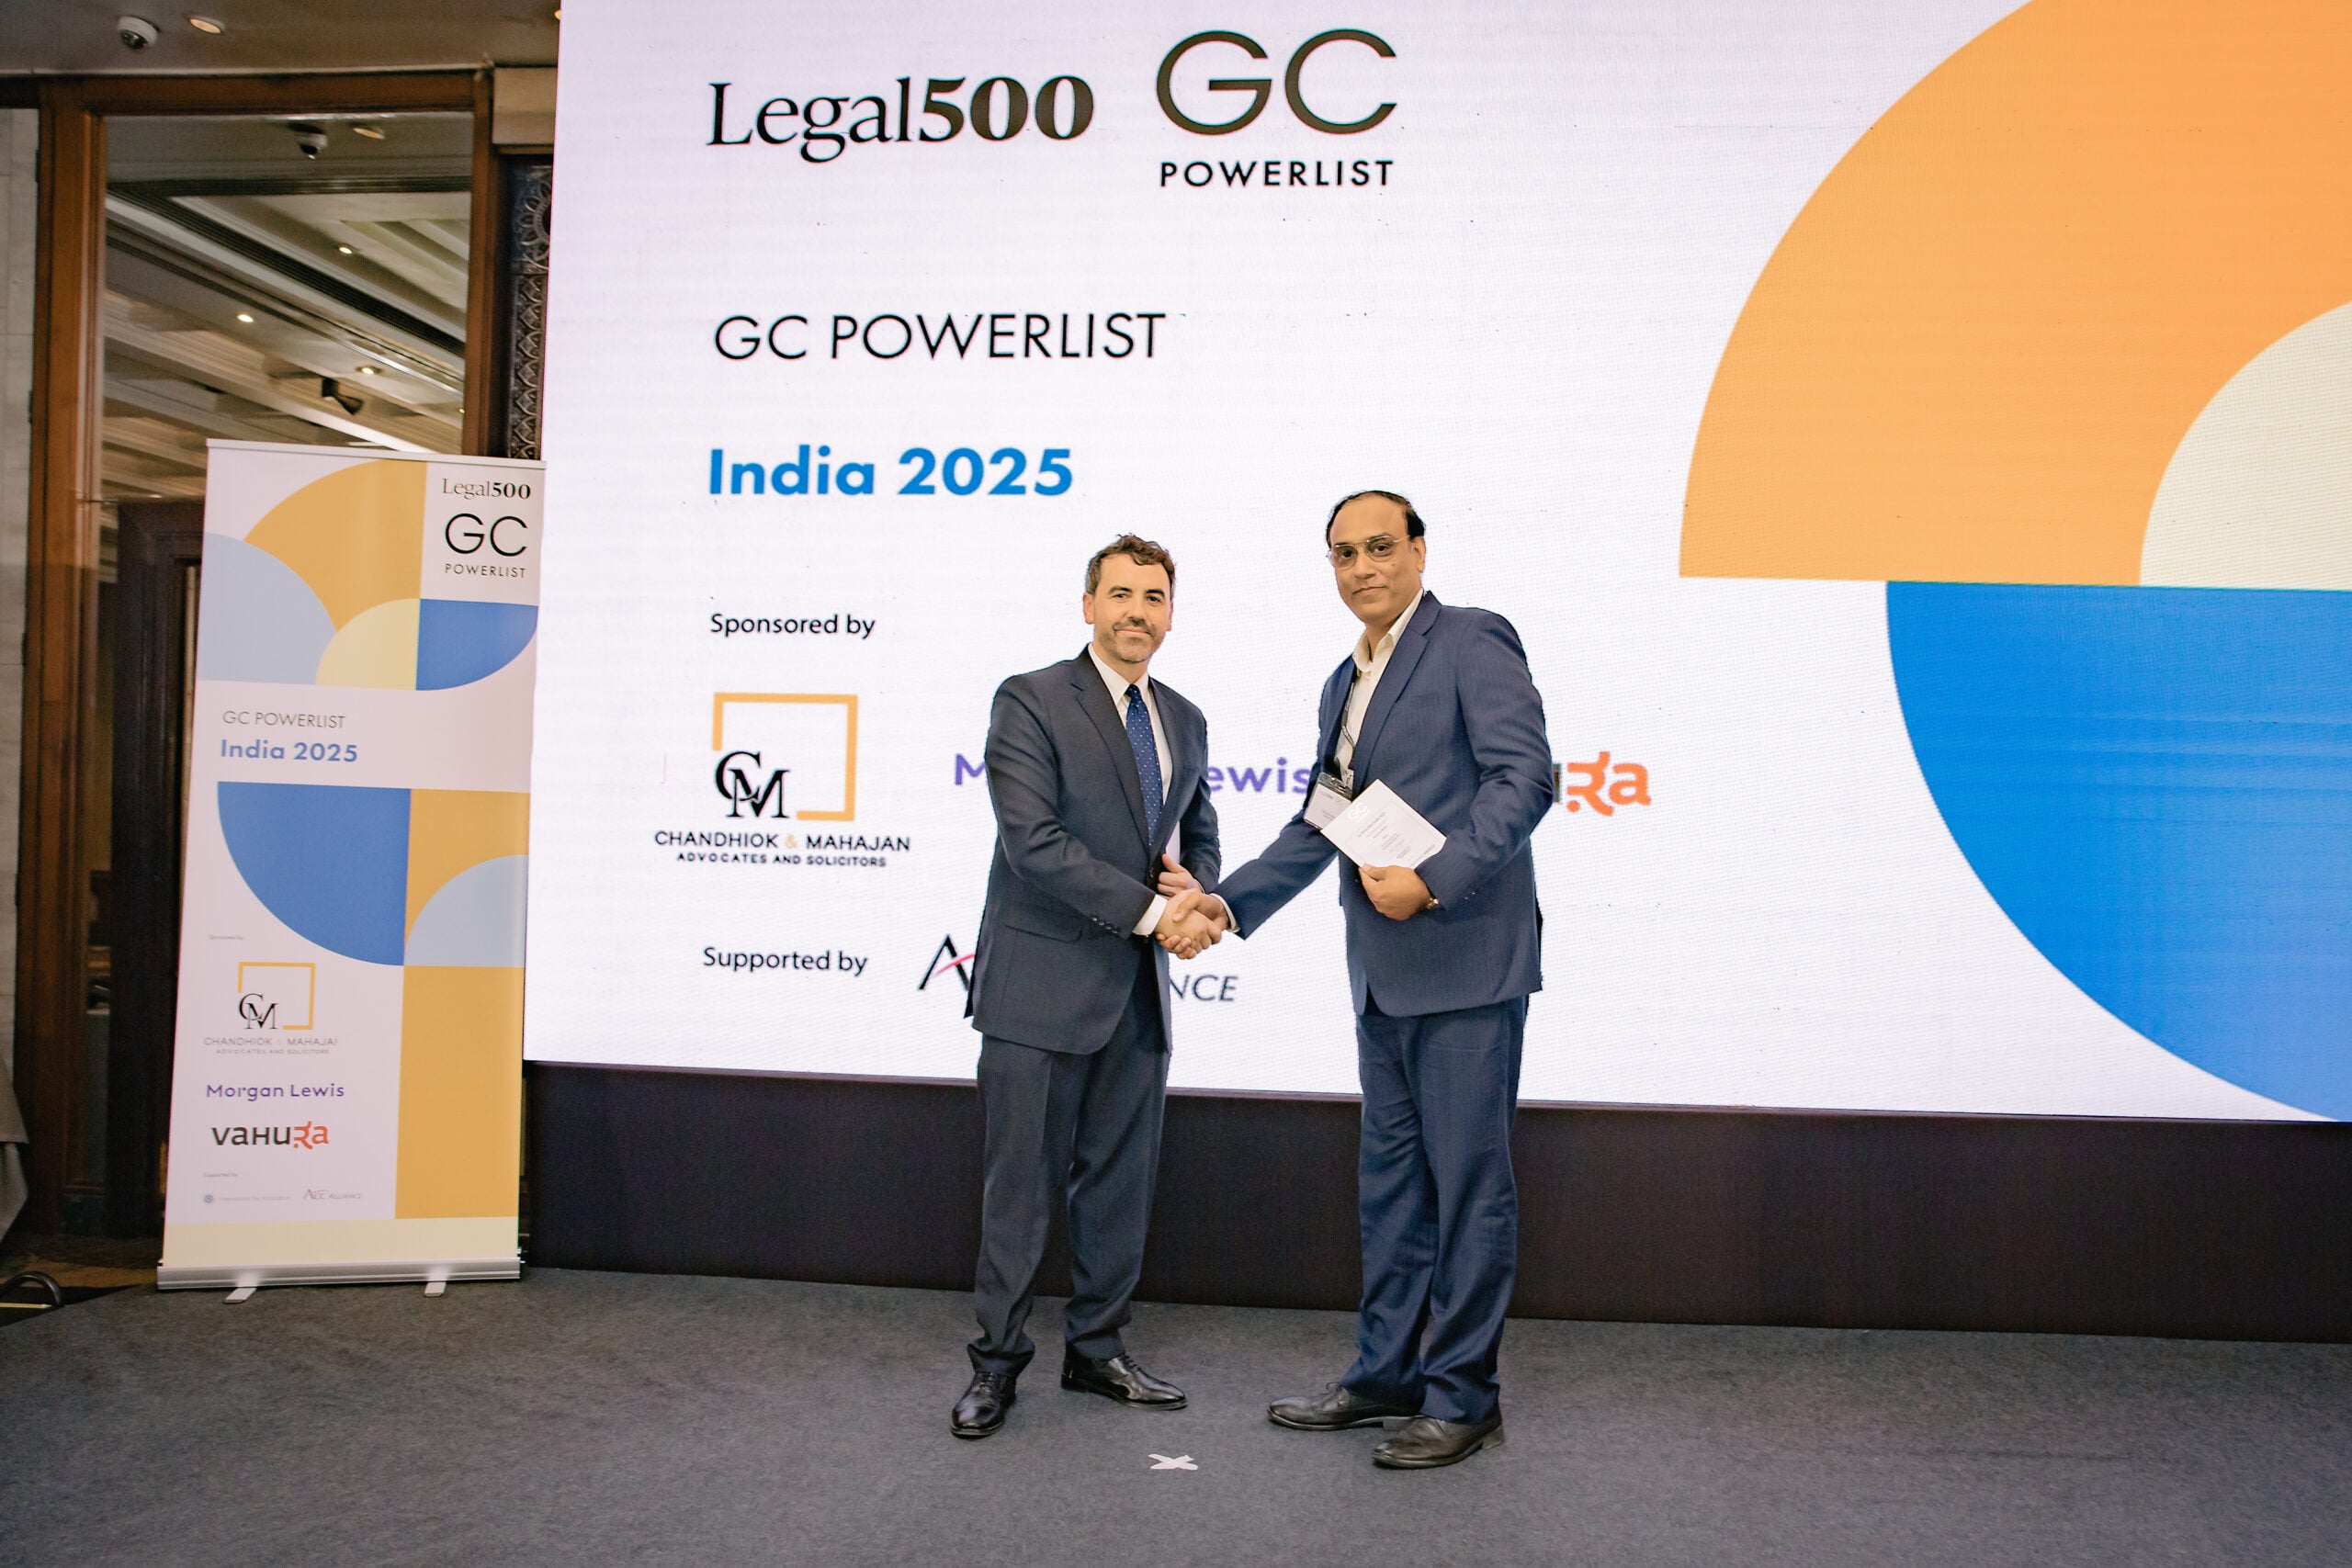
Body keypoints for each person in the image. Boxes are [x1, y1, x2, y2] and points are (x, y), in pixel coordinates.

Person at [1167, 490, 1551, 1469]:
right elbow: (1323, 819)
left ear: (1419, 550)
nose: (1363, 567)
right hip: (1381, 977)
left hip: (1466, 965)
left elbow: (1525, 780)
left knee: (1468, 1191)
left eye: (1381, 546)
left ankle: (1463, 1397)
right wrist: (1225, 904)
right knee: (1391, 1191)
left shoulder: (1471, 639)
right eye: (1344, 553)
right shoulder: (1345, 678)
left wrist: (1434, 879)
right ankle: (1387, 1375)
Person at [951, 534, 1229, 1440]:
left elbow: (1198, 831)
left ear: (1171, 614)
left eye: (1153, 598)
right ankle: (995, 1365)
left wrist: (1199, 893)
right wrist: (1155, 916)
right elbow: (1033, 844)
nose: (1136, 613)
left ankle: (1097, 1351)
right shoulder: (1030, 699)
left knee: (1119, 1187)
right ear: (1087, 605)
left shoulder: (1183, 718)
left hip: (1136, 996)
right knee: (1019, 1192)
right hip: (1038, 990)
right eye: (1119, 594)